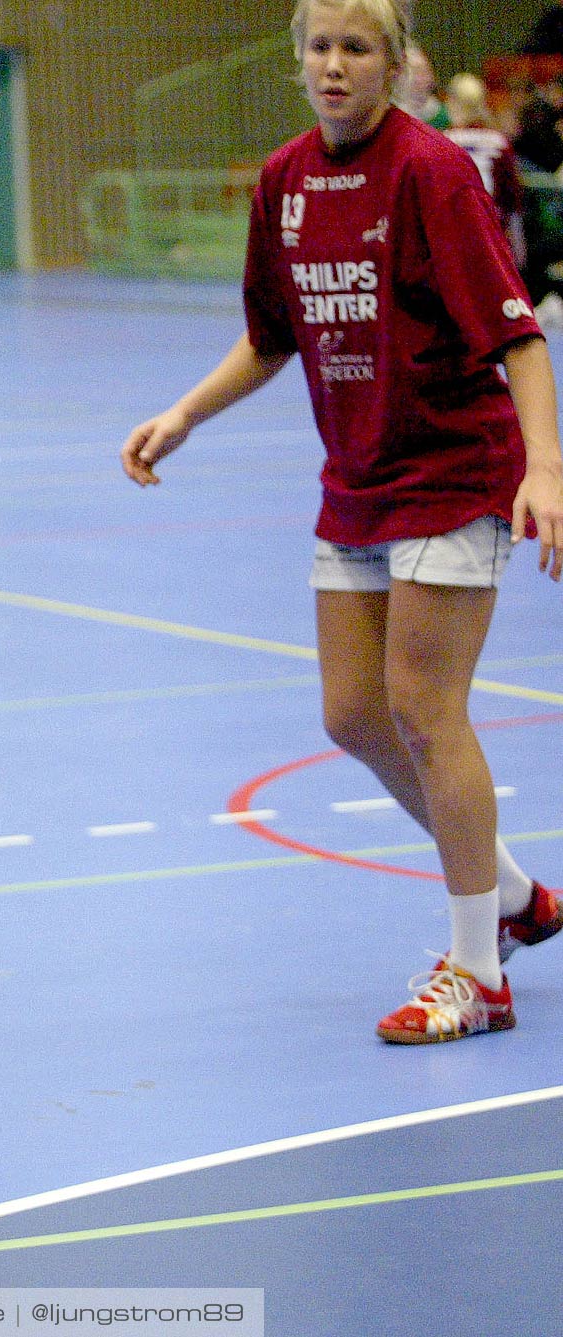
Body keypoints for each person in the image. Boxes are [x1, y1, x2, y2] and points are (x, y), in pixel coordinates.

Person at [121, 0, 563, 1044]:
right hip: (356, 475)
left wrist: (545, 466)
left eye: (356, 48)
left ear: (396, 63)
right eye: (318, 47)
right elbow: (271, 336)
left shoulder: (432, 173)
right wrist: (185, 413)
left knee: (423, 704)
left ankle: (476, 972)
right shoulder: (285, 182)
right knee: (352, 714)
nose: (333, 65)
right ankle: (510, 893)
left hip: (453, 470)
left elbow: (519, 338)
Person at [444, 73, 527, 271]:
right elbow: (511, 200)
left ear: (452, 101)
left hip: (455, 236)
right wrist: (518, 245)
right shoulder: (498, 142)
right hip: (493, 234)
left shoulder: (441, 141)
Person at [394, 45, 448, 128]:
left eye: (425, 72)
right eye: (415, 72)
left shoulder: (442, 115)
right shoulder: (391, 114)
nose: (419, 79)